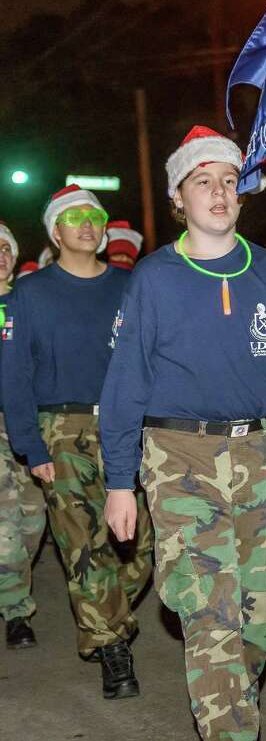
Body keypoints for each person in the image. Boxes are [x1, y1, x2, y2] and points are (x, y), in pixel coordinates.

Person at [100, 125, 266, 741]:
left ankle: (233, 711)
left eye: (229, 181)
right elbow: (125, 382)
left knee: (253, 611)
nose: (219, 192)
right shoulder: (156, 278)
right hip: (180, 454)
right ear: (178, 199)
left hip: (262, 452)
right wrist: (118, 481)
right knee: (208, 611)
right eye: (202, 182)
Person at [1, 185, 151, 698]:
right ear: (55, 232)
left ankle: (107, 614)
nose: (88, 224)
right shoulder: (30, 293)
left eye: (96, 215)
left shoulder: (131, 287)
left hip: (127, 425)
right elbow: (14, 375)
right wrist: (31, 446)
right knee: (82, 545)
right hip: (60, 430)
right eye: (75, 217)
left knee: (141, 547)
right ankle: (112, 648)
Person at [0, 221, 45, 650]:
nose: (0, 255)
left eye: (5, 247)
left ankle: (9, 583)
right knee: (5, 527)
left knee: (33, 519)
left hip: (30, 421)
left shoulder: (29, 299)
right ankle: (16, 612)